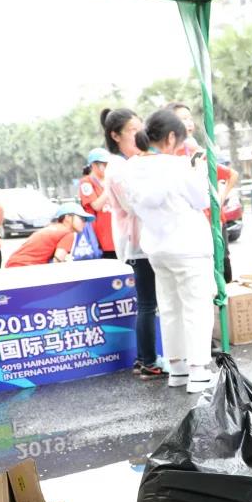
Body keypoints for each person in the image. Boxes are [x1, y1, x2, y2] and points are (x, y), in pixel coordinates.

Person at [116, 109, 215, 394]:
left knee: (170, 309)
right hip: (188, 246)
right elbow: (202, 199)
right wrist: (198, 169)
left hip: (156, 248)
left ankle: (178, 368)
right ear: (171, 138)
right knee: (196, 307)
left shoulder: (131, 168)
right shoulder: (177, 166)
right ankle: (199, 371)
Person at [101, 106, 166, 380]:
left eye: (141, 128)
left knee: (148, 302)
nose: (139, 134)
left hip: (142, 241)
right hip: (138, 244)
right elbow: (133, 204)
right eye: (132, 130)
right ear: (115, 136)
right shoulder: (118, 168)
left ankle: (144, 358)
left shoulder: (129, 164)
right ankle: (149, 361)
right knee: (148, 303)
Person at [192, 150, 239, 282]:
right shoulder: (181, 164)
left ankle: (226, 285)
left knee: (222, 254)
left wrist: (222, 196)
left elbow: (233, 174)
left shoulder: (206, 163)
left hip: (214, 217)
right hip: (197, 220)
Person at [5, 204, 89, 267]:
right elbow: (58, 262)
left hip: (14, 264)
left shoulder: (52, 227)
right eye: (82, 219)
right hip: (26, 268)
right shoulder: (68, 233)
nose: (84, 223)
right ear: (67, 218)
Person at [79, 148, 115, 259]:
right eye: (103, 164)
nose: (106, 167)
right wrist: (109, 187)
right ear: (94, 165)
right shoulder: (86, 182)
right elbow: (96, 205)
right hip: (101, 237)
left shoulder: (110, 180)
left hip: (116, 233)